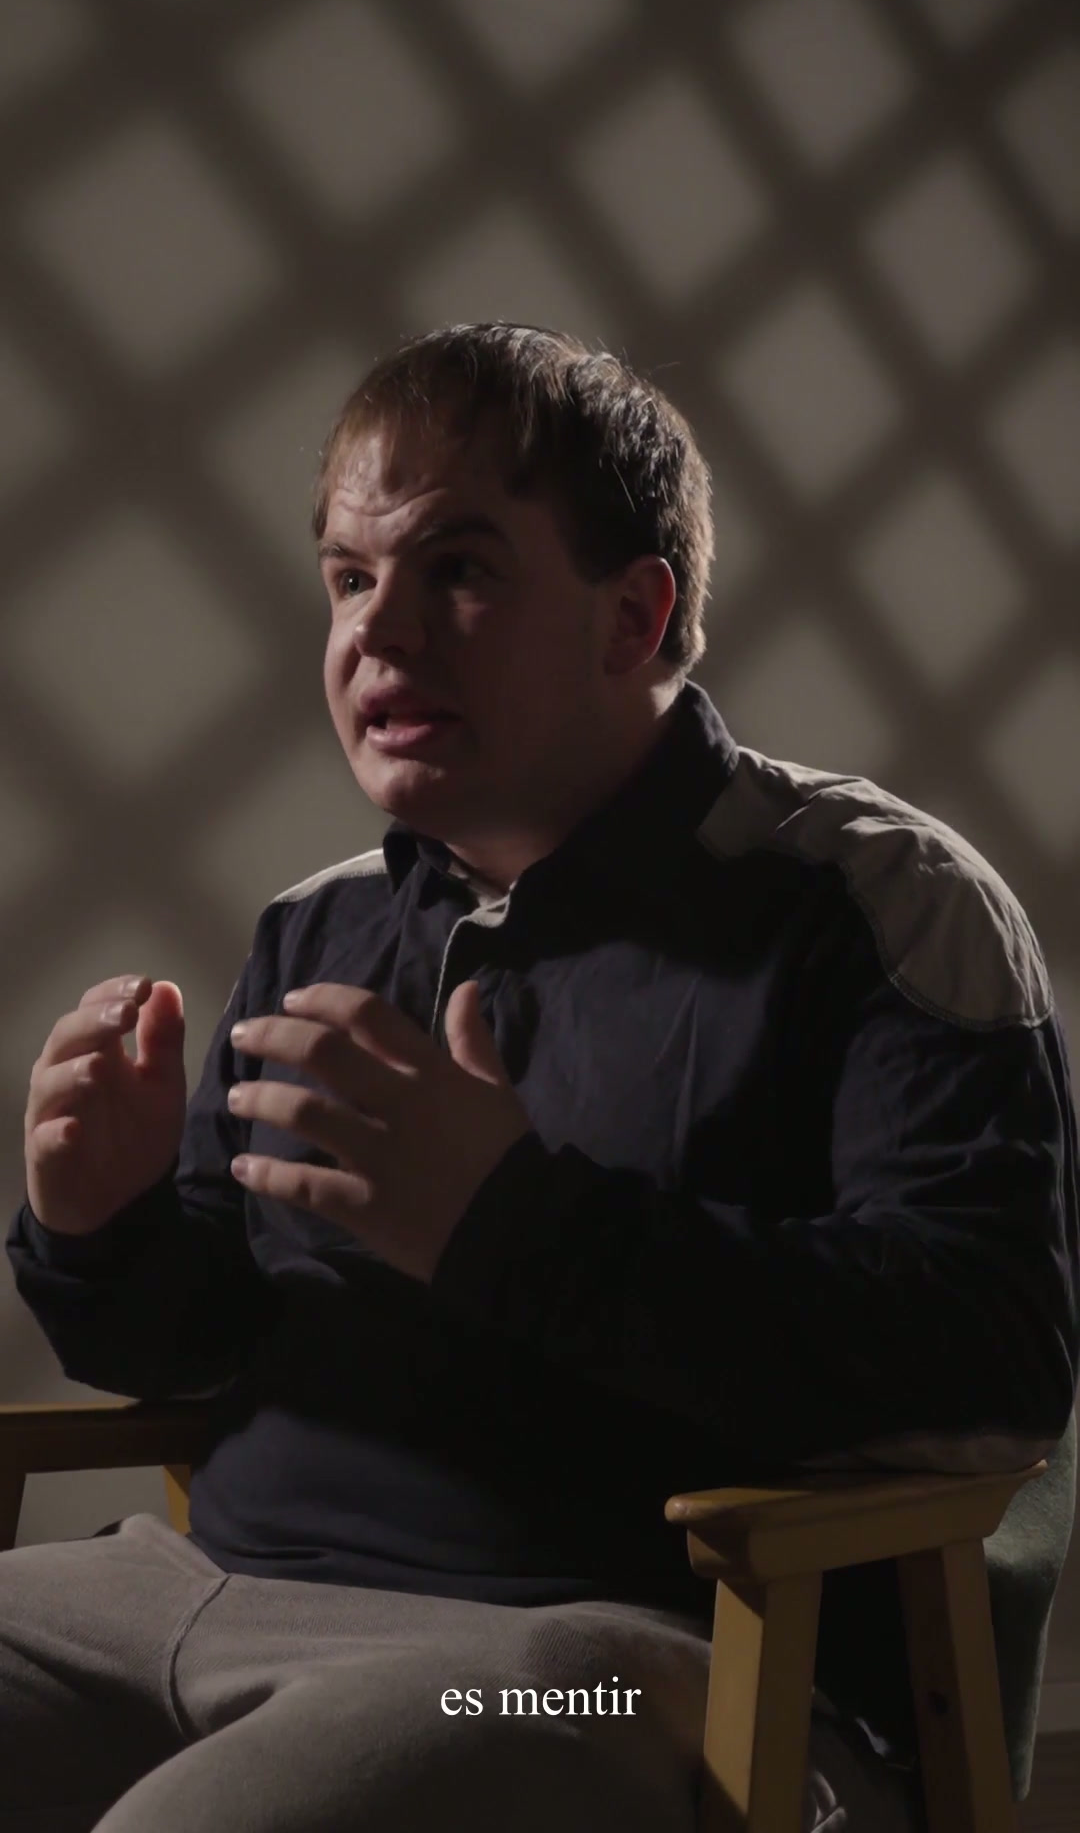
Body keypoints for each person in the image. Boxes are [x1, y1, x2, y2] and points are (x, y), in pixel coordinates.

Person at [5, 322, 1078, 1833]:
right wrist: (95, 1224)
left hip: (598, 1663)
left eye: (458, 568)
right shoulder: (319, 927)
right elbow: (197, 1340)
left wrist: (508, 1221)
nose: (378, 633)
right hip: (184, 1595)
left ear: (634, 615)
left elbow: (988, 1381)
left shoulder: (880, 901)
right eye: (349, 578)